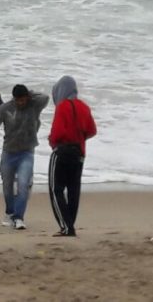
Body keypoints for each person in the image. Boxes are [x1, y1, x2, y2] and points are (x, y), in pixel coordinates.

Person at [0, 84, 49, 230]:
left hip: (27, 152)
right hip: (9, 153)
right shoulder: (5, 109)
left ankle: (19, 218)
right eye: (18, 100)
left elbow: (45, 97)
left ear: (27, 98)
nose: (21, 103)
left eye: (23, 100)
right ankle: (10, 212)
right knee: (7, 186)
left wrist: (30, 95)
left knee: (23, 184)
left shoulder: (34, 105)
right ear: (14, 98)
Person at [48, 76, 97, 237]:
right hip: (79, 153)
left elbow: (57, 132)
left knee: (56, 189)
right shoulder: (84, 107)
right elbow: (92, 130)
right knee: (73, 190)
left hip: (62, 152)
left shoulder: (62, 107)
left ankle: (66, 226)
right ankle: (70, 225)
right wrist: (79, 138)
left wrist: (52, 142)